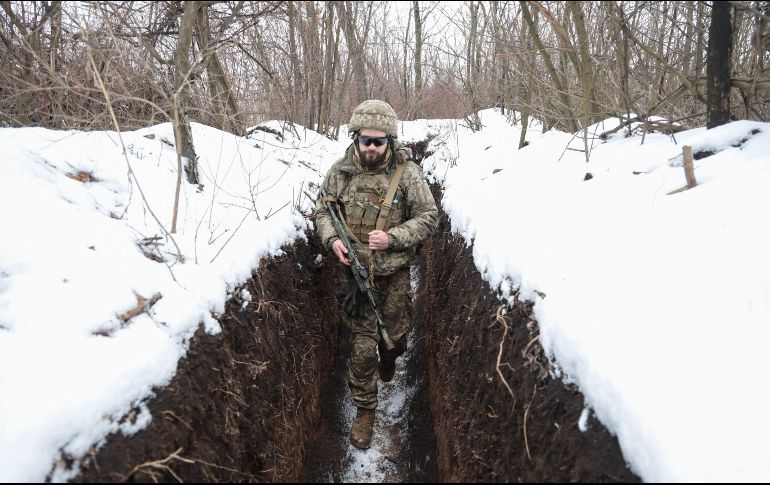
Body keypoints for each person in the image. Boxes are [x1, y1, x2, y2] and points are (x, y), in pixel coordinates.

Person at [314, 99, 438, 449]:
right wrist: (332, 238)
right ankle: (365, 410)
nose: (370, 147)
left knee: (396, 338)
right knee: (363, 346)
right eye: (365, 140)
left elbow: (428, 216)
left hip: (395, 274)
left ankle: (391, 357)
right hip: (356, 275)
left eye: (378, 141)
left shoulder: (407, 175)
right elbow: (322, 210)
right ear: (355, 138)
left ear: (390, 140)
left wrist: (393, 238)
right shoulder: (339, 173)